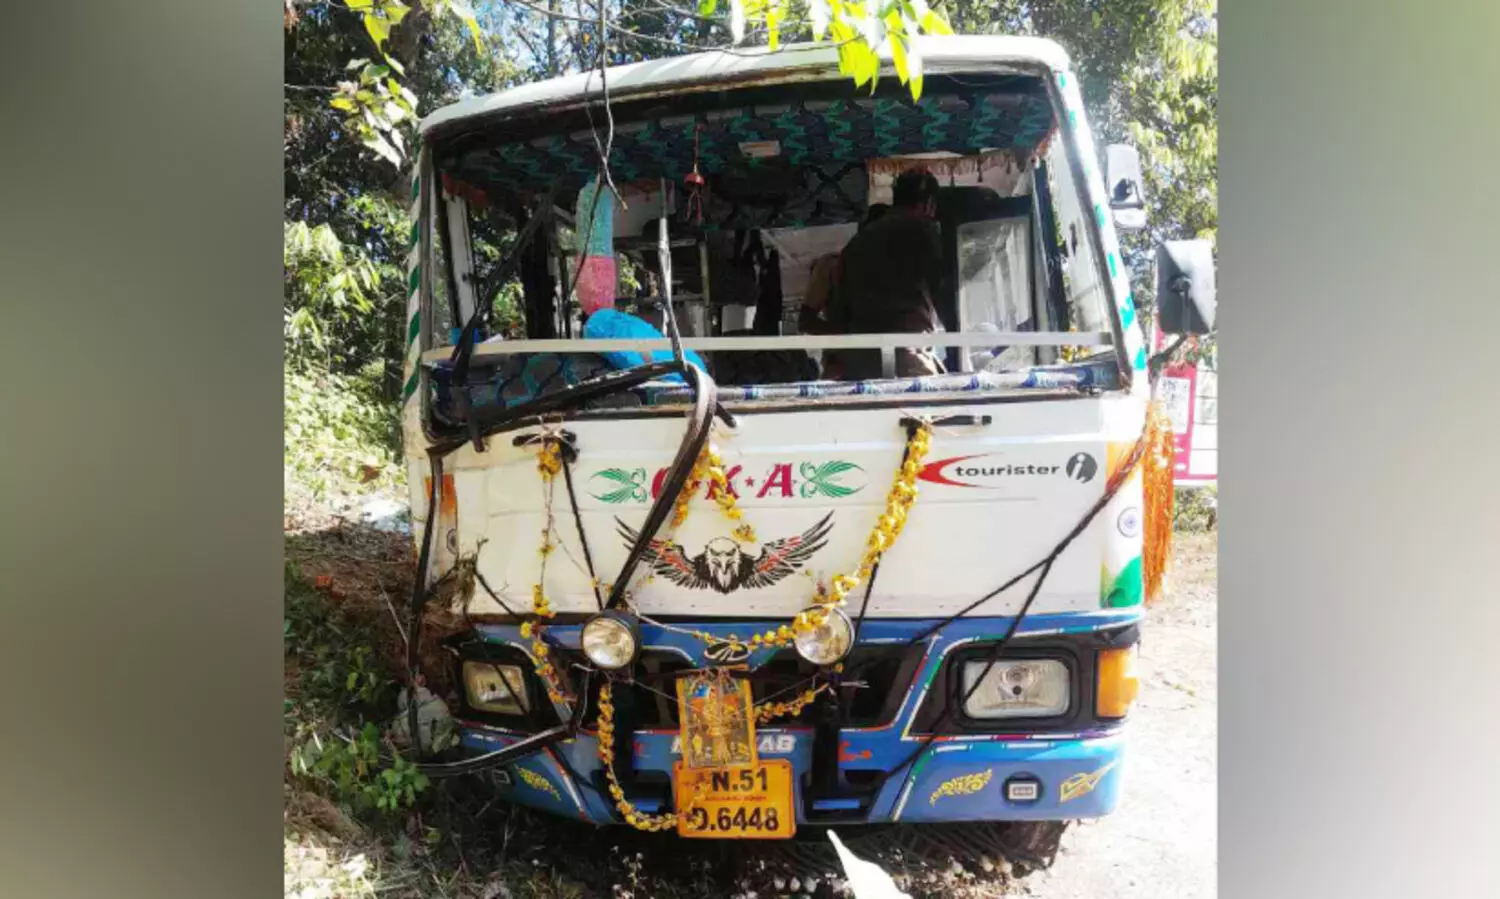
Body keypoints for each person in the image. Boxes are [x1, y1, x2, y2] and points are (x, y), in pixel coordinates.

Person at [827, 171, 947, 379]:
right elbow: (942, 291)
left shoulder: (856, 243)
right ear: (929, 203)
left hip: (861, 359)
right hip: (907, 354)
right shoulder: (923, 231)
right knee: (923, 410)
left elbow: (840, 306)